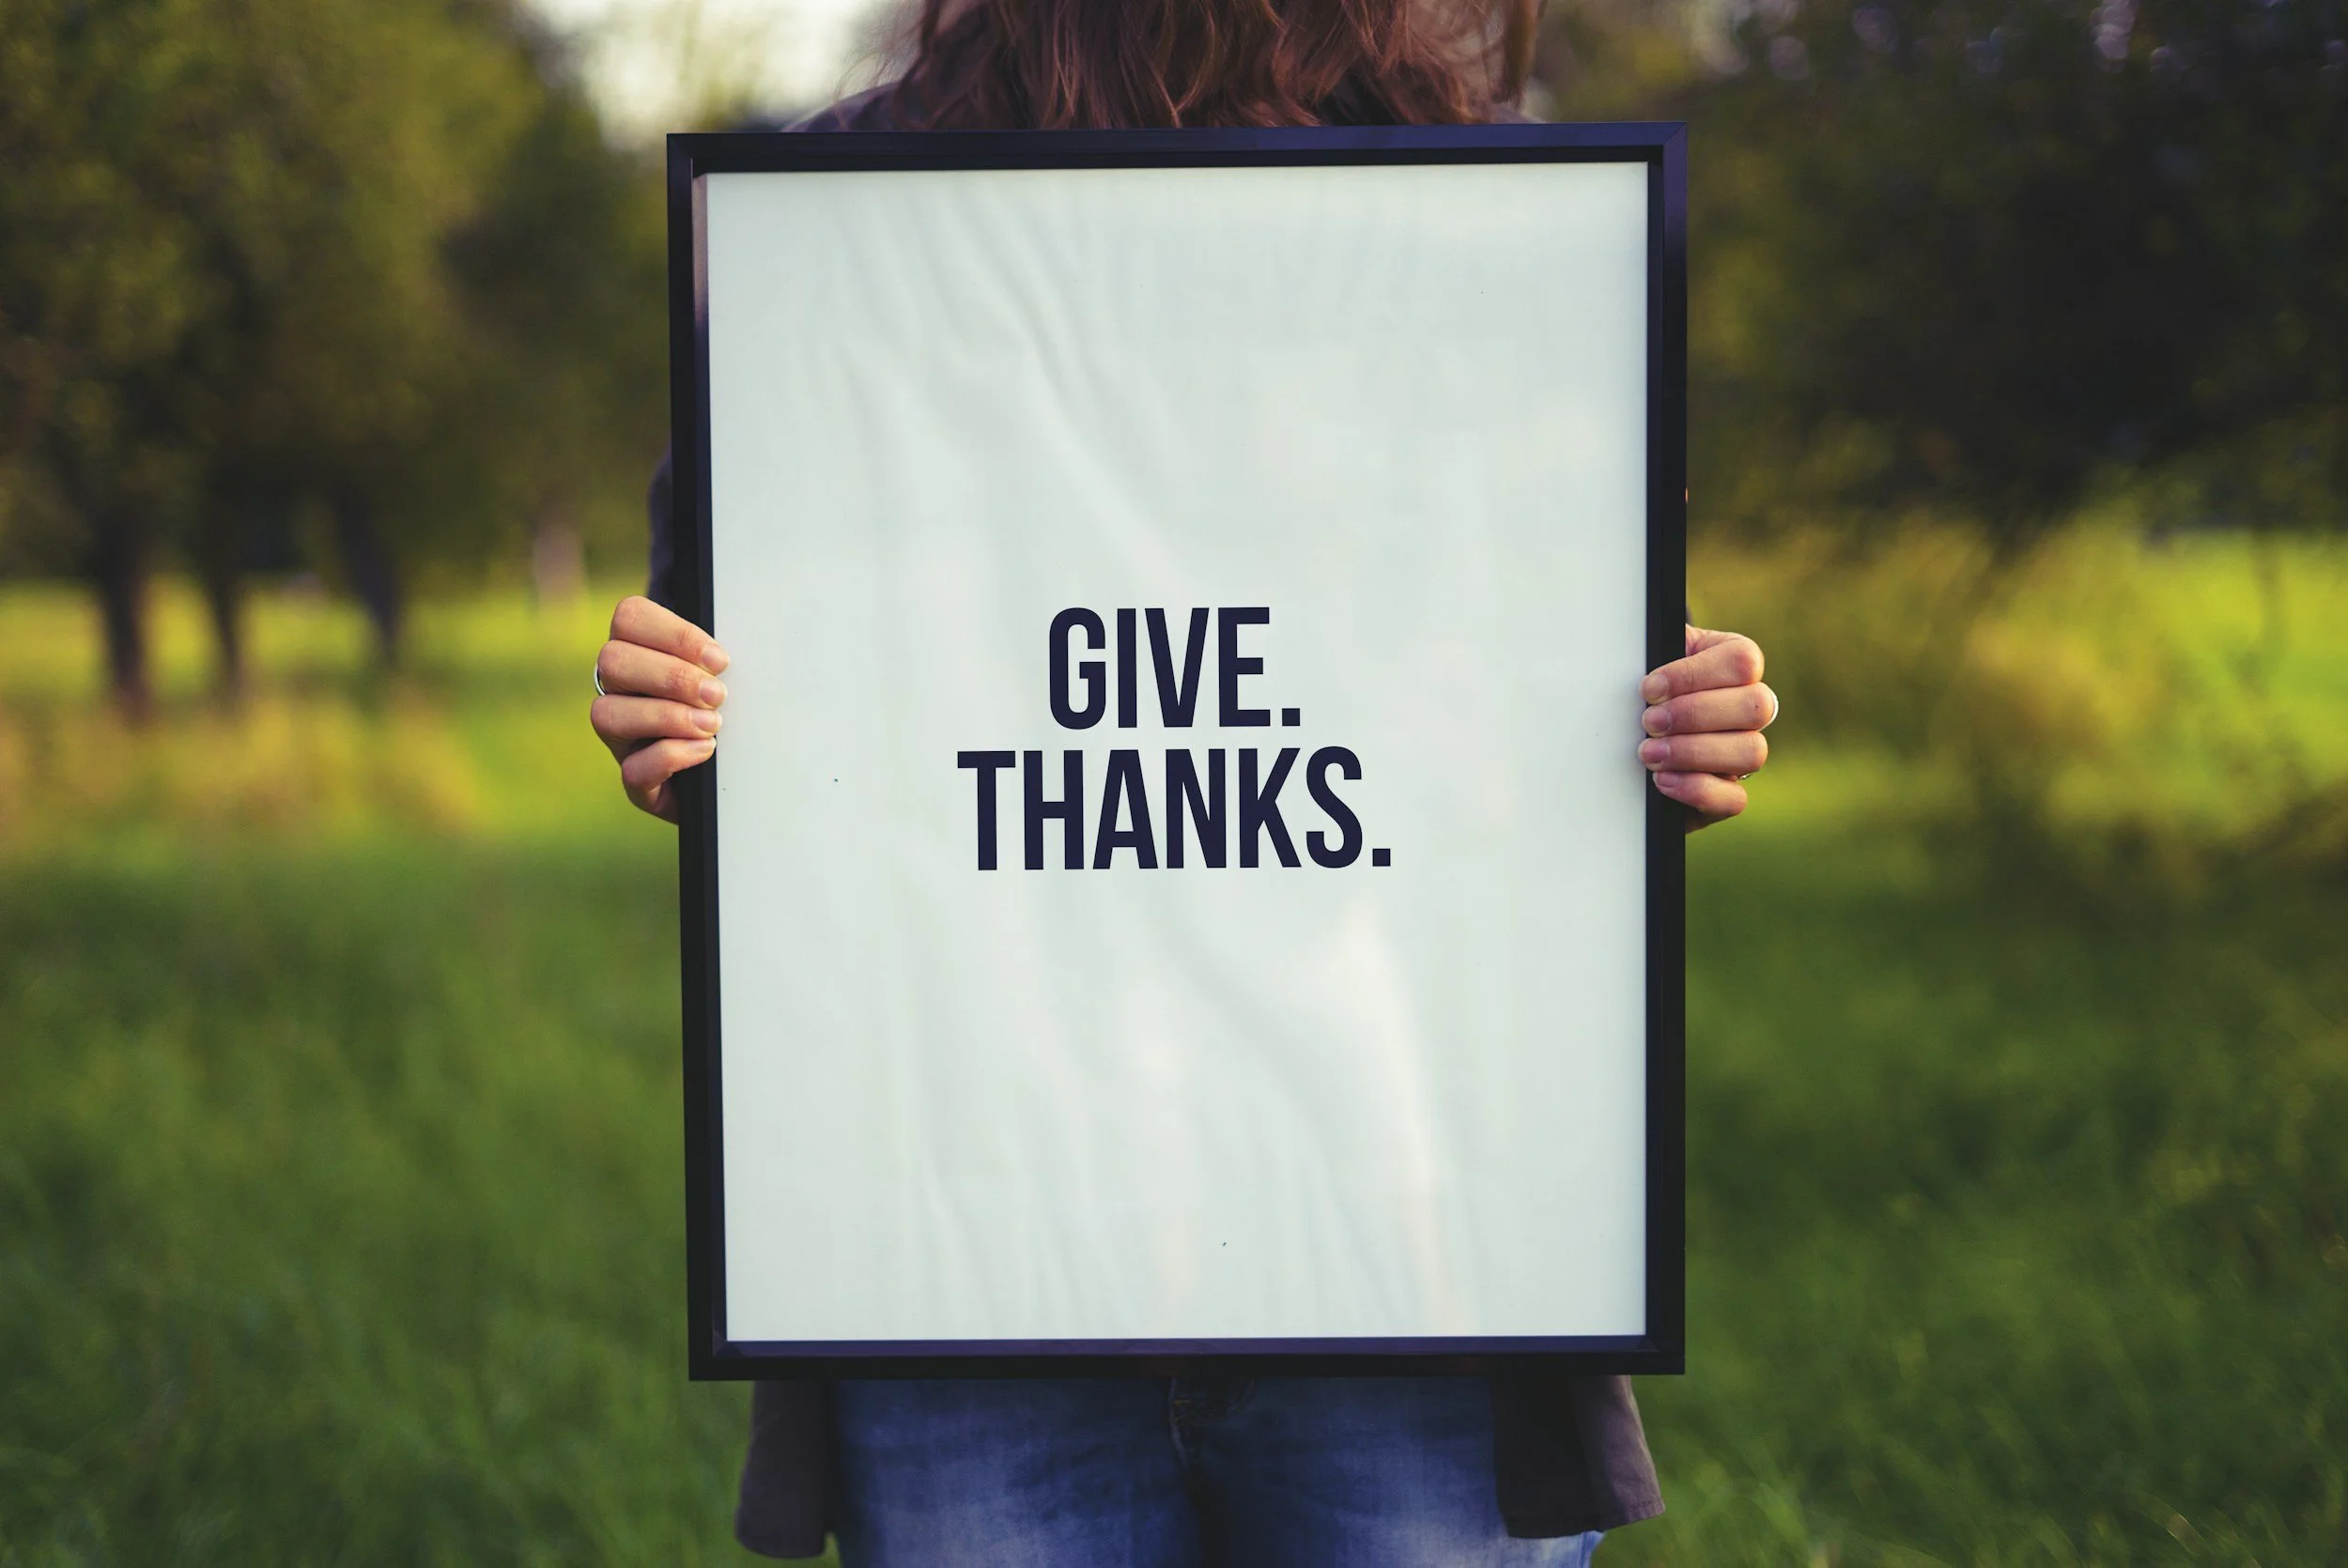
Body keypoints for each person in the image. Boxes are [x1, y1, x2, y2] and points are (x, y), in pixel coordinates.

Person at [589, 0, 1779, 1560]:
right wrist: (672, 716)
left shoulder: (1488, 212)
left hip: (1401, 1241)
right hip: (968, 1252)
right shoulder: (834, 219)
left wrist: (1661, 723)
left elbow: (1520, 665)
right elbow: (759, 683)